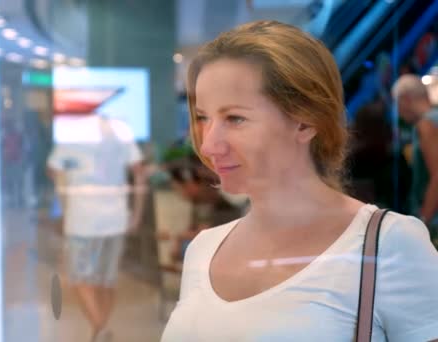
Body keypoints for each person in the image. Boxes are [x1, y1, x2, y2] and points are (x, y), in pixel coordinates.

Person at [161, 20, 438, 341]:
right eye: (203, 118)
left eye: (235, 118)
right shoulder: (203, 250)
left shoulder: (388, 245)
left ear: (305, 122)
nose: (208, 145)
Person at [47, 113, 145, 342]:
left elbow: (54, 171)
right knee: (106, 280)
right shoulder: (121, 130)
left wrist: (63, 206)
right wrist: (137, 214)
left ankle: (100, 329)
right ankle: (100, 330)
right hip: (116, 217)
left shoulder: (71, 135)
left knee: (80, 278)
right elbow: (139, 173)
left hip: (82, 218)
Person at [391, 74, 438, 243]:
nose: (397, 111)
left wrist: (423, 221)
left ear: (406, 99)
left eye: (397, 104)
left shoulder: (426, 125)